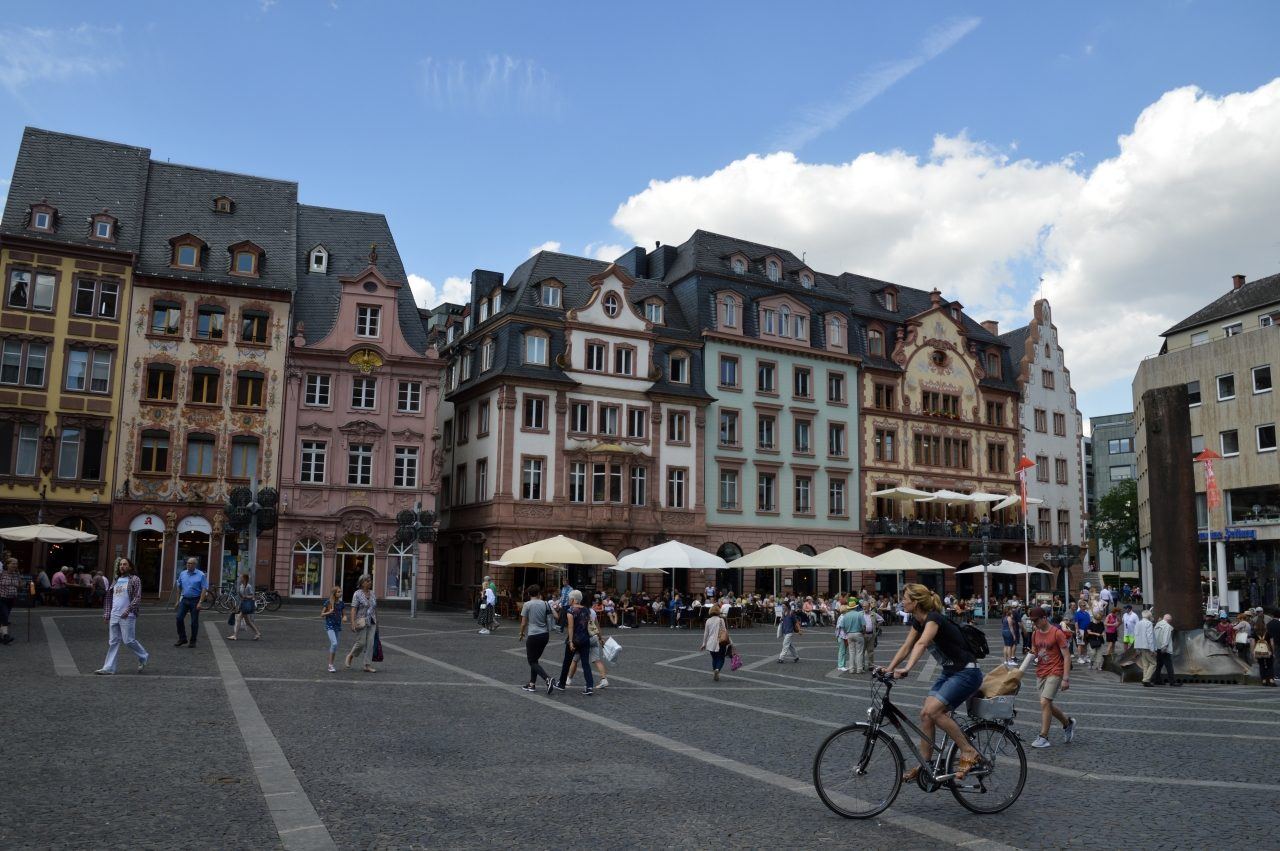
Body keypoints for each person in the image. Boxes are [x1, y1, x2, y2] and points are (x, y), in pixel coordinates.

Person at [878, 584, 983, 781]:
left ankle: (968, 750)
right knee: (925, 715)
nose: (902, 601)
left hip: (967, 672)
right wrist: (889, 668)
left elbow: (922, 643)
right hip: (950, 672)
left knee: (935, 711)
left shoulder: (934, 618)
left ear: (915, 602)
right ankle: (925, 765)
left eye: (905, 598)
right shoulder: (918, 622)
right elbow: (907, 646)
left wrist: (907, 668)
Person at [1028, 605, 1075, 748]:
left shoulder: (1057, 633)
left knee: (1044, 702)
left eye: (1036, 620)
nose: (1034, 623)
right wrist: (1031, 654)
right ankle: (1067, 723)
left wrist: (1066, 678)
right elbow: (1035, 651)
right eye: (1033, 621)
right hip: (1041, 672)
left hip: (1055, 670)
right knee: (1047, 704)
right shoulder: (1035, 634)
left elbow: (1066, 656)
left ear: (1044, 618)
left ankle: (1043, 736)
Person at [95, 557, 148, 675]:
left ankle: (143, 655)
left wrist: (128, 610)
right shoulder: (116, 579)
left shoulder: (134, 579)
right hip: (114, 614)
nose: (122, 566)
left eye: (125, 564)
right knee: (113, 642)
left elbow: (137, 597)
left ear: (130, 567)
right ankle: (108, 668)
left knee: (128, 640)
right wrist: (107, 614)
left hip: (128, 615)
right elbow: (109, 597)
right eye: (120, 565)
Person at [552, 589, 594, 695]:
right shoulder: (586, 610)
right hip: (585, 639)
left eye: (570, 598)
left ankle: (561, 684)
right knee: (585, 664)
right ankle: (589, 686)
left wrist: (570, 641)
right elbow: (589, 624)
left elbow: (570, 627)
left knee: (567, 662)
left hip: (574, 639)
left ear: (574, 599)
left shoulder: (570, 610)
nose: (569, 600)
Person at [518, 585, 555, 692]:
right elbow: (552, 616)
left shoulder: (527, 604)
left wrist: (521, 633)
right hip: (545, 635)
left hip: (533, 635)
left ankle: (547, 678)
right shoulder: (545, 603)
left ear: (529, 594)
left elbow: (523, 623)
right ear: (539, 593)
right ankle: (532, 684)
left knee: (532, 661)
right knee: (535, 660)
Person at [345, 575, 378, 673]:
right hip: (361, 621)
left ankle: (367, 665)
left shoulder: (372, 593)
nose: (370, 582)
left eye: (370, 580)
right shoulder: (357, 594)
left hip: (372, 621)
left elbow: (375, 608)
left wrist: (377, 622)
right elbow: (353, 609)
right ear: (362, 583)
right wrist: (353, 622)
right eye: (367, 581)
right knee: (361, 643)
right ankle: (351, 655)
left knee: (370, 643)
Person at [173, 557, 208, 648]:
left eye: (191, 563)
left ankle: (193, 641)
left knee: (194, 622)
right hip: (184, 599)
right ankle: (182, 638)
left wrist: (200, 602)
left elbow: (204, 588)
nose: (188, 565)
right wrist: (177, 600)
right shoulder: (183, 573)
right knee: (179, 618)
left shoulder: (201, 575)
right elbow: (179, 586)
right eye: (188, 563)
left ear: (195, 565)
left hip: (195, 600)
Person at [700, 604, 731, 681]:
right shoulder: (721, 620)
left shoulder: (708, 621)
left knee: (714, 658)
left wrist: (704, 643)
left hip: (711, 643)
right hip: (721, 642)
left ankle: (715, 671)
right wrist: (730, 641)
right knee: (721, 658)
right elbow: (725, 631)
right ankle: (717, 670)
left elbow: (706, 633)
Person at [228, 573, 261, 641]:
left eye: (241, 577)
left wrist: (246, 597)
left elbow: (252, 596)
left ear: (245, 578)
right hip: (243, 604)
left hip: (246, 605)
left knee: (239, 618)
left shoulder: (248, 586)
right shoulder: (241, 586)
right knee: (248, 622)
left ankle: (235, 635)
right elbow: (241, 597)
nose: (240, 578)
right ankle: (257, 633)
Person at [321, 586, 344, 673]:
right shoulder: (328, 602)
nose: (340, 593)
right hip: (330, 626)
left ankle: (331, 664)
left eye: (341, 591)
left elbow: (343, 614)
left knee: (334, 646)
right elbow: (322, 614)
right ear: (334, 593)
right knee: (334, 643)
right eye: (338, 592)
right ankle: (330, 665)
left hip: (337, 626)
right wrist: (329, 612)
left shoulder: (341, 603)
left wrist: (344, 617)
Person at [838, 604, 866, 674]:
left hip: (849, 634)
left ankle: (851, 669)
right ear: (855, 607)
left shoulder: (845, 615)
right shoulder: (859, 614)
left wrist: (846, 632)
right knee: (859, 652)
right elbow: (864, 625)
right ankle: (859, 669)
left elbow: (842, 626)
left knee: (851, 652)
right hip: (858, 633)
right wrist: (863, 632)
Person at [1154, 613, 1180, 686]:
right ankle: (1172, 682)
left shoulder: (1157, 625)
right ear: (1169, 620)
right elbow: (1166, 637)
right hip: (1164, 649)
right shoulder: (1167, 626)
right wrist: (1164, 646)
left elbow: (1155, 636)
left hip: (1157, 648)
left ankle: (1157, 680)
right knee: (1169, 665)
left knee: (1159, 665)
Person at [0, 556, 20, 645]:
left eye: (16, 564)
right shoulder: (2, 573)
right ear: (7, 564)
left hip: (11, 599)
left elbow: (20, 585)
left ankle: (2, 637)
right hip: (2, 598)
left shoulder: (17, 574)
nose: (15, 565)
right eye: (13, 563)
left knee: (3, 617)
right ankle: (6, 636)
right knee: (5, 617)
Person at [1134, 609, 1157, 686]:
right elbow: (1149, 636)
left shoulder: (1138, 623)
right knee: (1154, 663)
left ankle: (1145, 678)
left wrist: (1137, 648)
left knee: (1145, 664)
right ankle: (1146, 679)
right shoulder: (1149, 623)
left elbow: (1136, 635)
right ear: (1149, 616)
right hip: (1147, 646)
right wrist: (1152, 649)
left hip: (1140, 646)